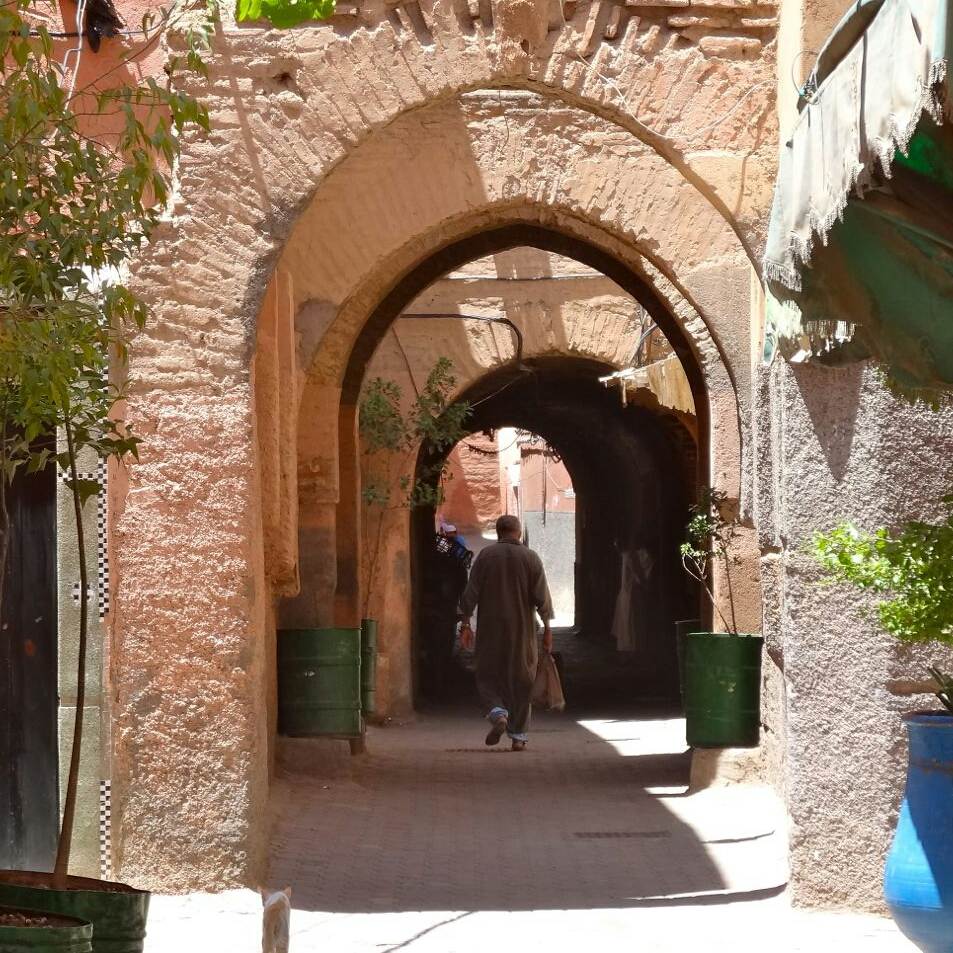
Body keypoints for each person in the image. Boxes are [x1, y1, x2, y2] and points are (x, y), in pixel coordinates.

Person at [458, 514, 554, 751]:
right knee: (523, 680)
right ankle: (519, 735)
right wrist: (548, 630)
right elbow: (542, 597)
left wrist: (466, 624)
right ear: (519, 533)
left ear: (499, 533)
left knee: (487, 674)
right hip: (523, 633)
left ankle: (498, 713)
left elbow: (470, 594)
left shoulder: (486, 557)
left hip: (491, 630)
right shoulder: (531, 558)